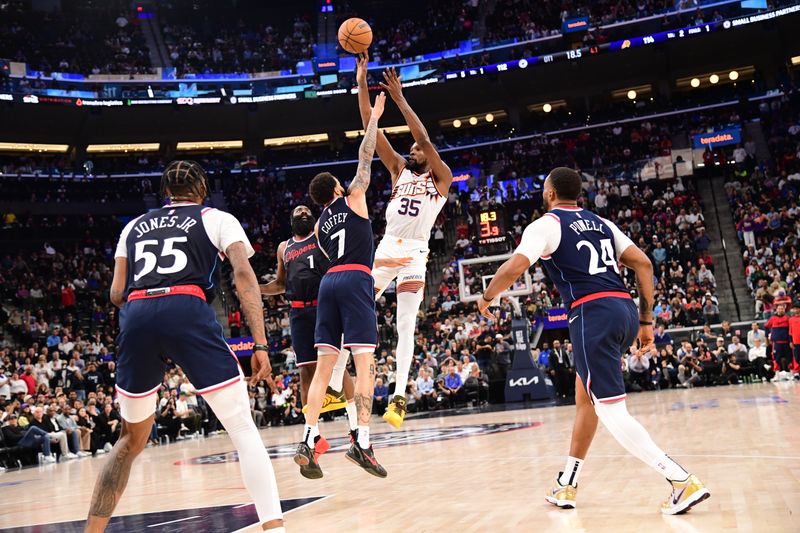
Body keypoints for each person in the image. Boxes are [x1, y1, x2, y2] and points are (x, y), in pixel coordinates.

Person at [477, 167, 709, 515]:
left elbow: (515, 266)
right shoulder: (602, 223)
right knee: (585, 399)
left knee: (611, 410)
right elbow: (643, 265)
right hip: (625, 310)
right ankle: (567, 484)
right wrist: (646, 321)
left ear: (551, 193)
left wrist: (487, 296)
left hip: (591, 315)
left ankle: (680, 480)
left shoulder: (547, 224)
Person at [84, 160, 284, 532]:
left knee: (129, 440)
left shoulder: (132, 227)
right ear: (202, 191)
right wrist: (259, 342)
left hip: (137, 312)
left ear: (164, 194)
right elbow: (244, 276)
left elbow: (115, 293)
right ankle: (275, 528)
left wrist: (148, 305)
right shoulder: (216, 218)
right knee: (241, 427)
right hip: (186, 306)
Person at [352, 53, 454, 429]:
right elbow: (369, 127)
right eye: (409, 150)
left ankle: (398, 396)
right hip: (387, 247)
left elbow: (424, 138)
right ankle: (336, 388)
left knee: (406, 323)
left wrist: (400, 100)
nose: (411, 152)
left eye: (415, 151)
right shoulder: (397, 169)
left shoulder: (440, 178)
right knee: (355, 304)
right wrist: (361, 80)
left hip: (414, 253)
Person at [293, 92, 388, 479]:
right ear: (336, 188)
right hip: (354, 278)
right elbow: (366, 155)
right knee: (366, 363)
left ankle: (308, 437)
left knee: (323, 370)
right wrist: (374, 118)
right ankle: (362, 442)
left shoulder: (317, 226)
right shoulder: (354, 197)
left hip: (327, 284)